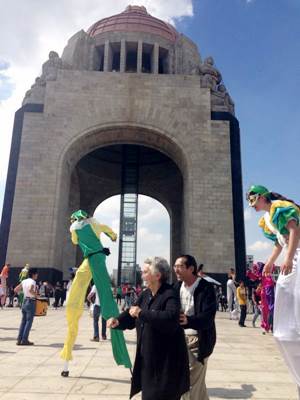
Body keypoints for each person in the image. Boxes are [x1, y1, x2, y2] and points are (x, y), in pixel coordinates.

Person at [60, 210, 131, 377]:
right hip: (96, 258)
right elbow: (107, 229)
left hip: (89, 260)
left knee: (79, 287)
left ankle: (66, 358)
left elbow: (75, 241)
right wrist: (112, 237)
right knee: (105, 293)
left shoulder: (74, 228)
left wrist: (97, 242)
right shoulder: (93, 223)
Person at [107, 257, 190, 400]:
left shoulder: (169, 294)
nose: (141, 274)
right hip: (148, 361)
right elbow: (131, 313)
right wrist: (118, 321)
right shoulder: (145, 295)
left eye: (145, 272)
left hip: (166, 365)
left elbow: (170, 318)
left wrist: (141, 313)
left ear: (157, 276)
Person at [246, 184, 300, 393]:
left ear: (262, 197)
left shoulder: (279, 207)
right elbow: (279, 243)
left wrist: (287, 259)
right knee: (284, 293)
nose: (251, 205)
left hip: (297, 255)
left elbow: (294, 230)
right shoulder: (267, 219)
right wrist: (270, 262)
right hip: (291, 257)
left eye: (253, 200)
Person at [173, 254, 217, 400]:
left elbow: (208, 317)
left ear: (191, 268)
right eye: (175, 267)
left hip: (197, 339)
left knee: (189, 384)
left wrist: (188, 321)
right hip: (179, 340)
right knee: (197, 385)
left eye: (180, 267)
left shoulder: (205, 288)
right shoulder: (177, 287)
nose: (176, 270)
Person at [14, 267, 38, 345]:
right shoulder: (33, 282)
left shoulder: (24, 281)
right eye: (36, 274)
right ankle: (24, 340)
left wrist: (23, 293)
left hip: (24, 302)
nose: (37, 275)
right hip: (31, 302)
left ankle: (19, 339)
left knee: (23, 321)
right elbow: (31, 290)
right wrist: (36, 295)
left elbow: (16, 289)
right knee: (28, 322)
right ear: (34, 274)